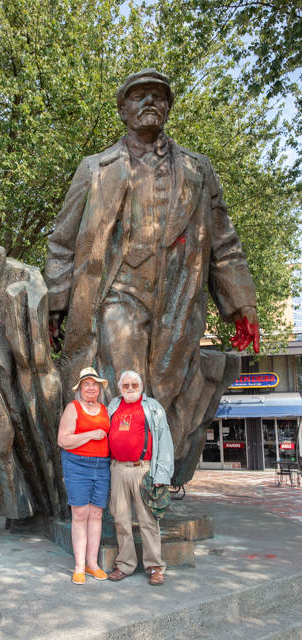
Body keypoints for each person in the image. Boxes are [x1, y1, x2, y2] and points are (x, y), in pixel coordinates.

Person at [44, 69, 259, 480]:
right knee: (129, 384)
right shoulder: (95, 169)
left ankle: (155, 479)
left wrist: (241, 303)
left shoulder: (199, 169)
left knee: (167, 388)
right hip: (117, 294)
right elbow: (62, 242)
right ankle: (129, 483)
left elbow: (224, 241)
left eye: (158, 96)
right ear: (123, 110)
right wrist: (56, 303)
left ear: (168, 108)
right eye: (139, 96)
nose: (149, 103)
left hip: (179, 297)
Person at [107, 370, 174, 585]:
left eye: (134, 385)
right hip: (117, 469)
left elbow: (164, 441)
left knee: (147, 520)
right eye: (125, 385)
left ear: (142, 385)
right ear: (119, 387)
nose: (130, 388)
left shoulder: (153, 407)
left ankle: (155, 567)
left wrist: (162, 475)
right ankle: (125, 564)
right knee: (121, 520)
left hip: (144, 470)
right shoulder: (113, 406)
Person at [57, 367, 111, 584]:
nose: (91, 387)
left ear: (99, 388)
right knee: (80, 514)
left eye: (94, 384)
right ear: (80, 388)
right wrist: (90, 434)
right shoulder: (73, 407)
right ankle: (79, 565)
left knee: (97, 514)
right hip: (77, 465)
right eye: (86, 384)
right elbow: (63, 440)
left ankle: (92, 564)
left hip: (103, 465)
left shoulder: (105, 409)